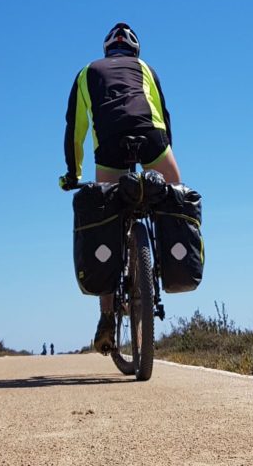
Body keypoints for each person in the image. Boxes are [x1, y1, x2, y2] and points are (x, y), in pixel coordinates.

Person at [60, 22, 182, 354]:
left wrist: (73, 174)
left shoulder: (86, 73)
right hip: (152, 138)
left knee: (106, 219)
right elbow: (164, 118)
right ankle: (166, 261)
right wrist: (162, 159)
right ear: (134, 51)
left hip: (110, 146)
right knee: (176, 195)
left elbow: (76, 130)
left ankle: (105, 318)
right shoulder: (146, 69)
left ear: (106, 50)